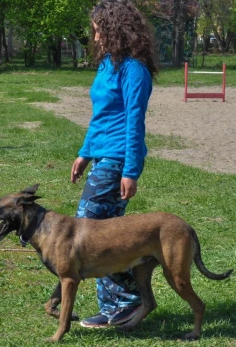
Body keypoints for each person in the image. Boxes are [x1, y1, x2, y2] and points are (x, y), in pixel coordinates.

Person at [69, 0, 159, 329]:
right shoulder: (108, 63)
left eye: (97, 32)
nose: (94, 39)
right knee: (103, 236)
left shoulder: (134, 69)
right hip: (103, 156)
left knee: (89, 233)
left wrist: (131, 171)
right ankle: (120, 304)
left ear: (114, 29)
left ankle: (125, 303)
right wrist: (84, 153)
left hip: (118, 160)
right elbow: (101, 117)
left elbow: (134, 122)